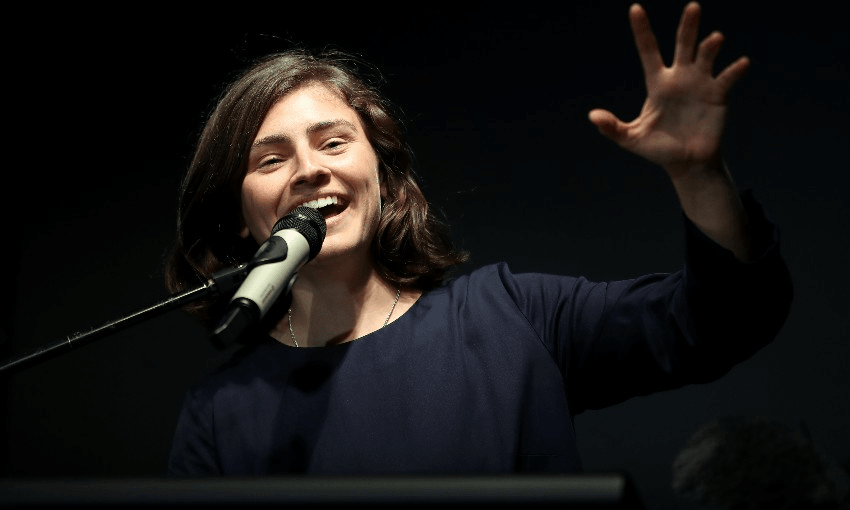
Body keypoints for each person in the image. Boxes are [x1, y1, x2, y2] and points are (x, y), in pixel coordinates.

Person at [165, 2, 792, 475]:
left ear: (383, 174)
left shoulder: (513, 316)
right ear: (239, 213)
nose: (309, 169)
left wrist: (697, 173)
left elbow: (723, 321)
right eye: (270, 160)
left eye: (334, 142)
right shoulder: (218, 412)